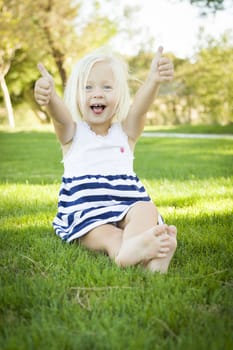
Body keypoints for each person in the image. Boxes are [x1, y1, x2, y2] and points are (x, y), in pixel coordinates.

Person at [34, 45, 177, 273]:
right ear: (76, 94)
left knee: (146, 209)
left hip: (126, 203)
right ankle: (124, 253)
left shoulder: (125, 133)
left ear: (119, 95)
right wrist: (50, 97)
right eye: (88, 87)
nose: (97, 93)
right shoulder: (72, 134)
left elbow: (139, 109)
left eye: (107, 87)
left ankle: (152, 261)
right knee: (110, 234)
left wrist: (153, 80)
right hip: (87, 211)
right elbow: (60, 118)